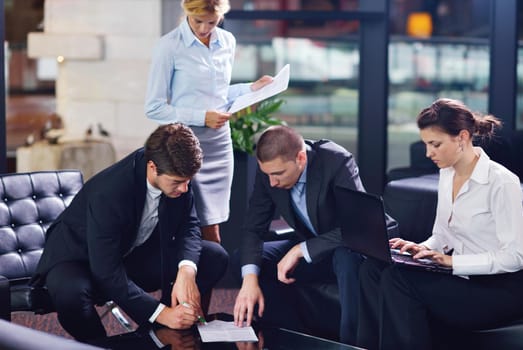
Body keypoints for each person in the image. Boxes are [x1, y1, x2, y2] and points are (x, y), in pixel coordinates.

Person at [31, 123, 229, 342]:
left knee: (214, 256)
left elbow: (189, 226)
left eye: (188, 182)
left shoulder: (177, 171)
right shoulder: (110, 192)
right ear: (152, 167)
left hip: (130, 253)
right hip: (79, 260)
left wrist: (186, 272)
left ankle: (162, 336)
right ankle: (100, 346)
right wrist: (161, 313)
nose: (184, 189)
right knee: (70, 294)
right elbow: (106, 270)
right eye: (178, 182)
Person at [356, 98, 523, 350]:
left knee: (397, 279)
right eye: (426, 144)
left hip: (498, 291)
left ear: (462, 137)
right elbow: (442, 235)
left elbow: (515, 257)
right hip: (461, 279)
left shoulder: (502, 182)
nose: (428, 153)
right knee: (372, 269)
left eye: (435, 144)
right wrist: (417, 249)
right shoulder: (447, 173)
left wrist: (452, 262)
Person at [232, 125, 397, 345]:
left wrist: (301, 250)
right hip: (311, 249)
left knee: (346, 259)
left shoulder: (336, 161)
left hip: (347, 248)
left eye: (278, 174)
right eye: (267, 175)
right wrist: (249, 280)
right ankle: (291, 337)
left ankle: (350, 345)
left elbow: (358, 227)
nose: (272, 182)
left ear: (300, 158)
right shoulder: (270, 174)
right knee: (243, 260)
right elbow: (253, 228)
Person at [144, 0, 273, 243]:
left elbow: (220, 96)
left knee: (214, 224)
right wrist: (202, 117)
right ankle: (188, 277)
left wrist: (252, 88)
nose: (204, 28)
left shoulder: (227, 41)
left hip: (219, 143)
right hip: (184, 144)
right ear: (187, 12)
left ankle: (203, 278)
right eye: (198, 21)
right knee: (198, 226)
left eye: (212, 22)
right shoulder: (168, 46)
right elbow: (155, 108)